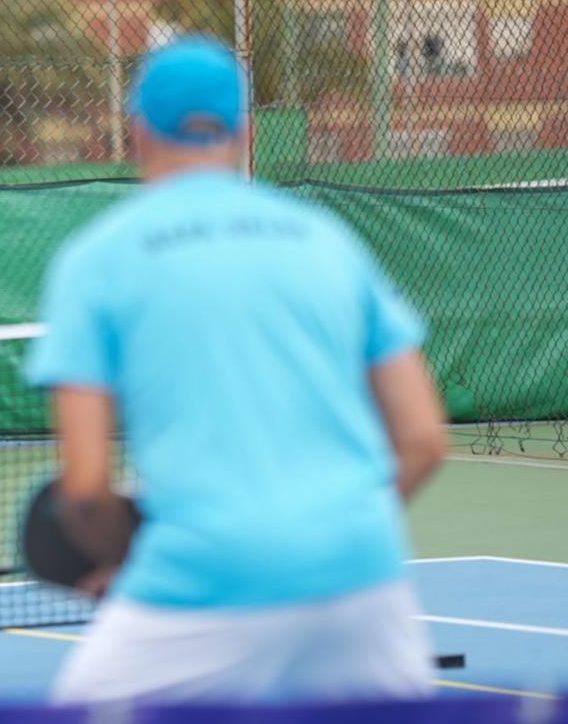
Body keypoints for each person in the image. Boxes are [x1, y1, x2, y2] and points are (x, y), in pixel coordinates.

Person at [24, 35, 448, 705]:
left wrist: (127, 560)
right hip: (359, 573)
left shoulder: (95, 261)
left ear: (136, 131)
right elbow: (425, 439)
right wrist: (324, 536)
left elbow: (83, 490)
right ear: (245, 130)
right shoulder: (330, 242)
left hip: (202, 578)